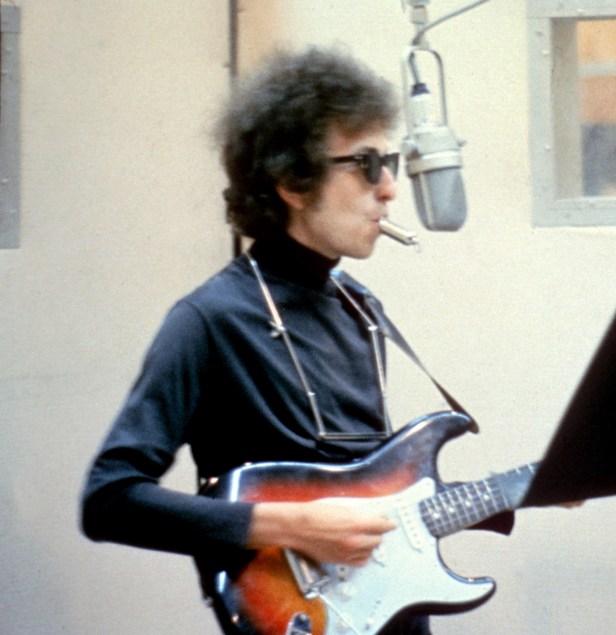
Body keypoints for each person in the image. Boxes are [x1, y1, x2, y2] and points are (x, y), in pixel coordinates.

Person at [81, 46, 500, 635]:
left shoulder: (362, 307)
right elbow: (109, 501)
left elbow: (370, 489)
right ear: (291, 183)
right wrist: (287, 527)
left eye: (391, 163)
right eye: (365, 164)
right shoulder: (208, 319)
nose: (390, 191)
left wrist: (527, 490)